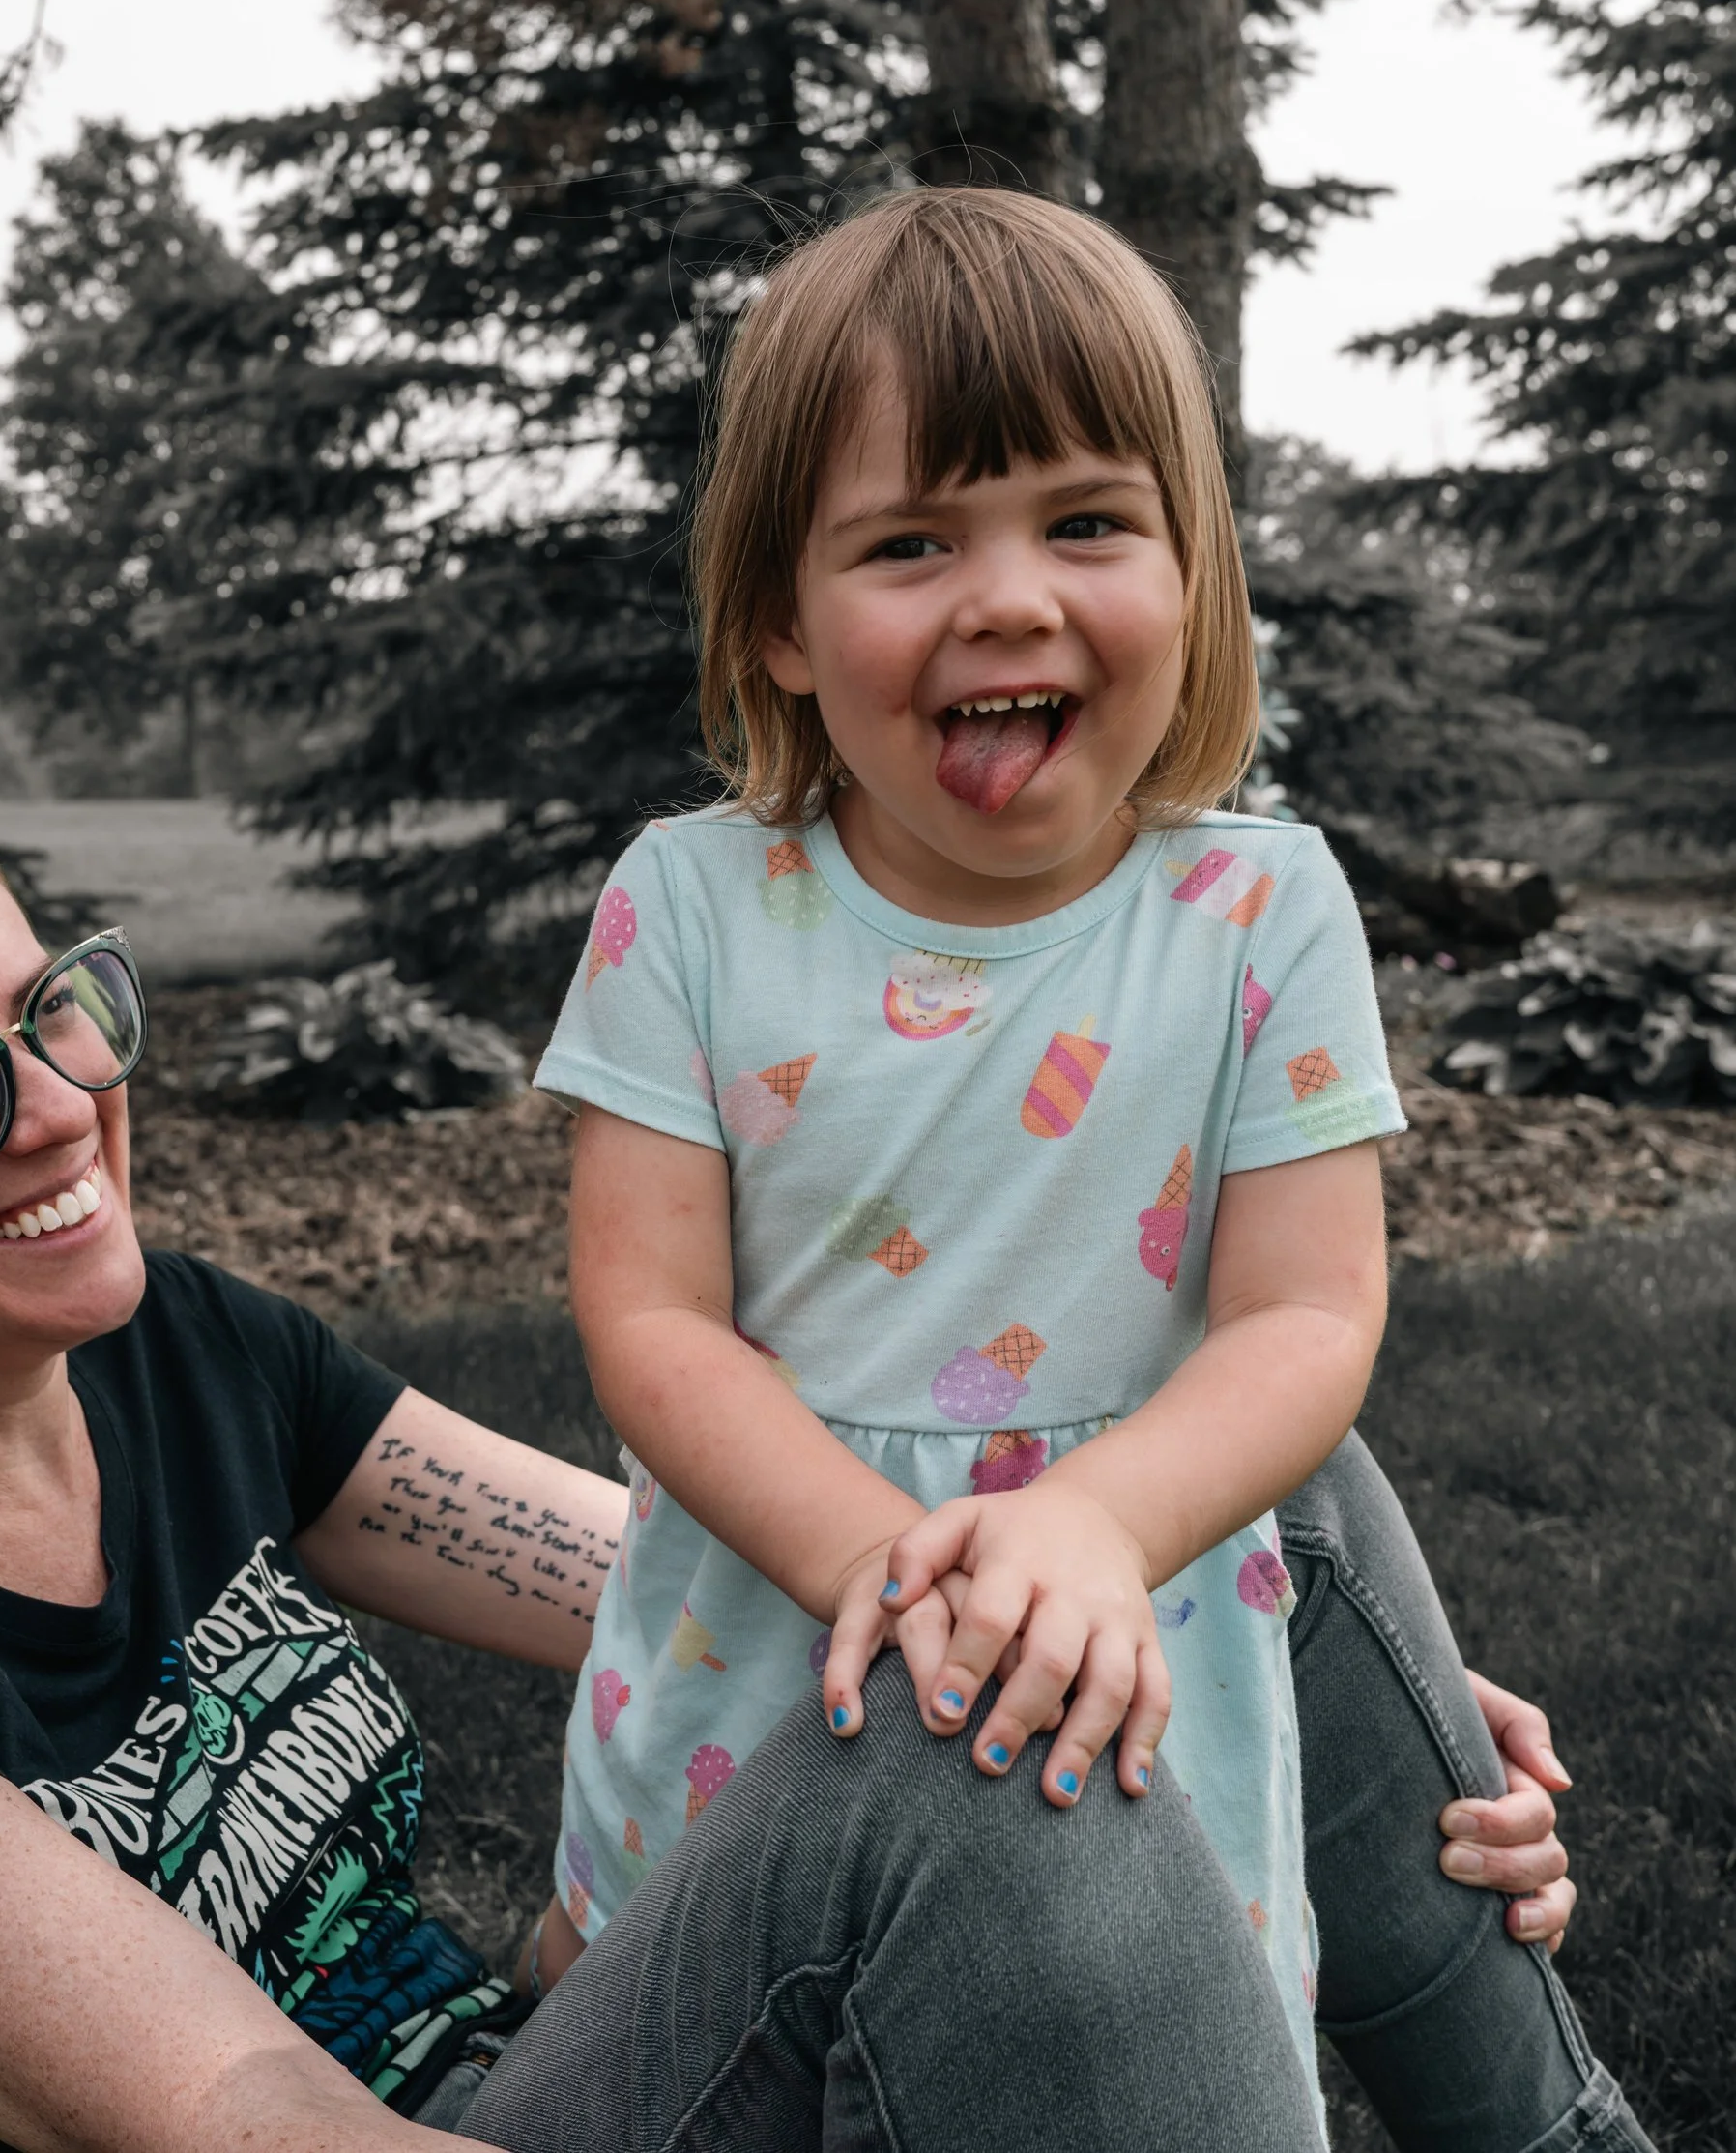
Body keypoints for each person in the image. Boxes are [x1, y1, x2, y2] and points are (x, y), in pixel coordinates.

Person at [0, 721, 1625, 2152]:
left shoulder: (183, 1356)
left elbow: (677, 1571)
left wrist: (1222, 1623)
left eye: (52, 1001)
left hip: (531, 2060)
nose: (59, 1100)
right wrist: (1025, 1654)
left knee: (1221, 1507)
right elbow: (230, 2103)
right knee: (966, 1733)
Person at [515, 187, 1649, 2148]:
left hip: (1128, 1605)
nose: (1007, 596)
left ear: (1194, 572)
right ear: (779, 620)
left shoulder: (1254, 905)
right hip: (771, 1651)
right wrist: (897, 1561)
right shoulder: (687, 903)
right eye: (907, 542)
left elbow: (1303, 1310)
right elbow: (648, 1320)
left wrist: (1092, 1527)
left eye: (1084, 521)